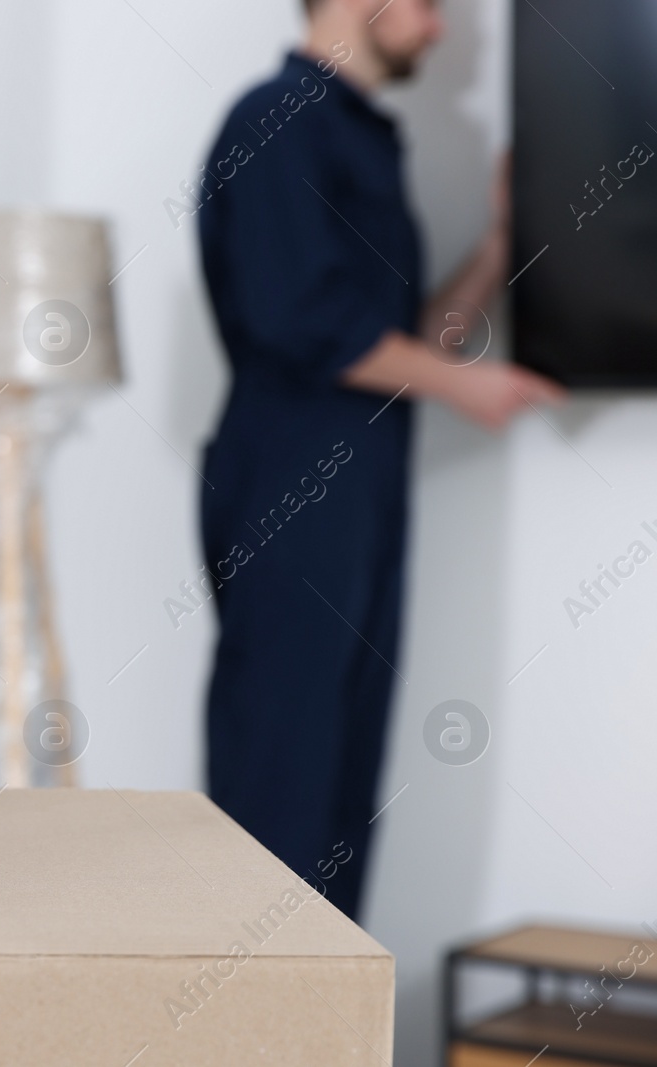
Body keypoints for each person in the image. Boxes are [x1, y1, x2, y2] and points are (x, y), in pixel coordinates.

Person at [194, 0, 564, 919]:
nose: (439, 31)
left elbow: (403, 341)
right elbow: (303, 323)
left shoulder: (359, 135)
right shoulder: (273, 120)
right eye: (431, 5)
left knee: (342, 789)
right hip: (289, 488)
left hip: (361, 491)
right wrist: (467, 389)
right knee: (281, 780)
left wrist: (498, 244)